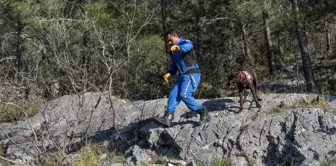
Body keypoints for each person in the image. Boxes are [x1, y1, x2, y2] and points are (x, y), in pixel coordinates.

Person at [154, 29, 210, 127]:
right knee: (173, 95)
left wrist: (178, 47)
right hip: (182, 76)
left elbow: (189, 46)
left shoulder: (185, 43)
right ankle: (168, 118)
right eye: (168, 41)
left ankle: (203, 112)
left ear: (176, 36)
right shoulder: (173, 51)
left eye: (170, 40)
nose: (169, 42)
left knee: (184, 94)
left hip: (191, 74)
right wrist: (169, 73)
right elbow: (174, 65)